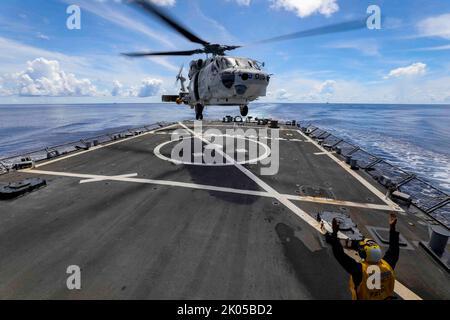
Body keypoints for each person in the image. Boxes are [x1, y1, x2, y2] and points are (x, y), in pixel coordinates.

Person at [327, 213, 400, 300]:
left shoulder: (360, 270)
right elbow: (394, 250)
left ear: (363, 254)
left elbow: (339, 255)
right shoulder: (387, 265)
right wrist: (392, 229)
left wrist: (334, 234)